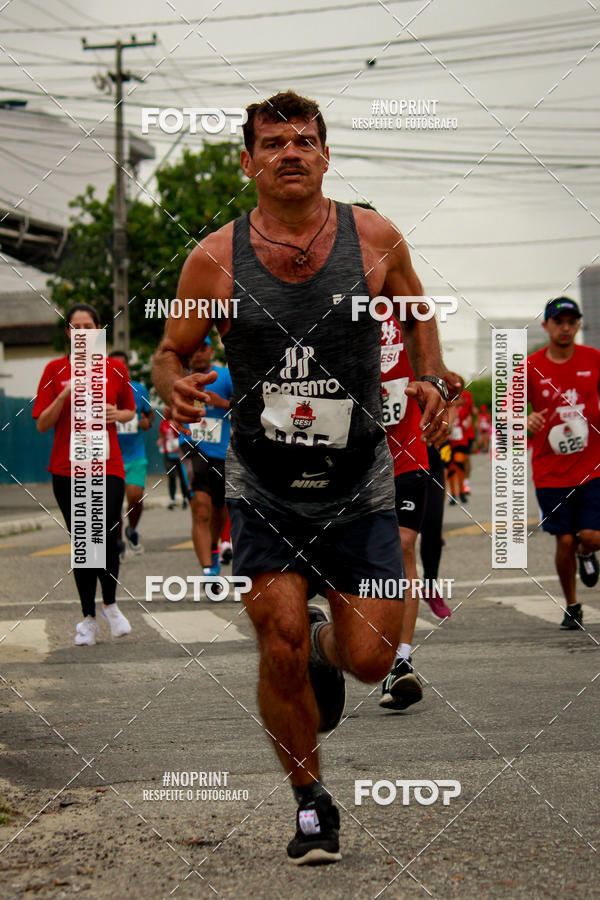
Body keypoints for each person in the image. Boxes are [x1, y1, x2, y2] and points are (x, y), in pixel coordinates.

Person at [152, 90, 449, 865]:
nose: (291, 152)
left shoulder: (374, 237)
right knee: (276, 642)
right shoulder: (214, 258)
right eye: (273, 142)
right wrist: (172, 382)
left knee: (372, 658)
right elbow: (170, 349)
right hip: (265, 487)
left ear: (325, 156)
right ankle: (311, 803)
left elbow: (419, 314)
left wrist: (431, 378)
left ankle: (327, 643)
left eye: (305, 141)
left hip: (359, 484)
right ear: (247, 161)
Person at [32, 303, 135, 646]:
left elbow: (130, 411)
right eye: (76, 328)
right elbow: (42, 423)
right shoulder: (54, 369)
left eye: (88, 327)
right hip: (68, 468)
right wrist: (65, 393)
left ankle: (111, 604)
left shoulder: (115, 368)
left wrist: (117, 414)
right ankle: (88, 617)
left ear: (98, 330)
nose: (83, 333)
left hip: (108, 464)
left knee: (105, 532)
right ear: (68, 333)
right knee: (84, 542)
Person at [527, 296, 600, 630]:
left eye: (572, 322)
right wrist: (524, 419)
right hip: (550, 472)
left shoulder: (593, 359)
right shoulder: (530, 367)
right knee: (565, 540)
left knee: (591, 537)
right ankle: (572, 605)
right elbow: (507, 410)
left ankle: (587, 553)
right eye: (559, 322)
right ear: (546, 326)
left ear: (578, 325)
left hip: (592, 466)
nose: (566, 328)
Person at [378, 316, 429, 710]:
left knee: (404, 545)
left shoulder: (407, 314)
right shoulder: (334, 310)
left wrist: (441, 384)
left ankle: (401, 661)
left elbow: (434, 369)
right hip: (356, 464)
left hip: (408, 457)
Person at [179, 337, 233, 584]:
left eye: (203, 348)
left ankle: (213, 546)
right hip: (191, 447)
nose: (198, 354)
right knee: (201, 508)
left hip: (221, 452)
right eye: (194, 349)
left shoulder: (225, 376)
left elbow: (247, 408)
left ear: (211, 350)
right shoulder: (180, 378)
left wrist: (221, 403)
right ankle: (208, 571)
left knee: (219, 509)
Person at [108, 351, 154, 556]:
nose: (119, 369)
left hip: (135, 454)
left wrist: (147, 422)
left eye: (123, 365)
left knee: (135, 497)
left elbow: (149, 414)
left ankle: (132, 530)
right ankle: (118, 543)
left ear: (127, 368)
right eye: (115, 365)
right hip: (111, 456)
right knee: (114, 503)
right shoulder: (101, 389)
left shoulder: (138, 389)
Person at [157, 409, 189, 509]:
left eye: (167, 410)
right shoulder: (163, 423)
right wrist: (160, 440)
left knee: (182, 477)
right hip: (169, 453)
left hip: (180, 453)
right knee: (171, 476)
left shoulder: (179, 421)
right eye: (164, 411)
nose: (164, 412)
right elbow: (161, 435)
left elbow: (185, 434)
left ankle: (185, 498)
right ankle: (172, 500)